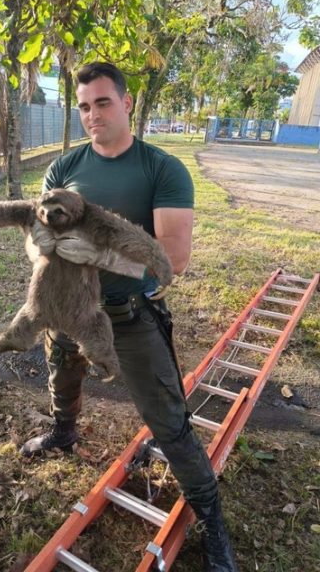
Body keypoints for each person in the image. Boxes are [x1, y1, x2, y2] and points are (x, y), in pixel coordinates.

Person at [25, 62, 238, 572]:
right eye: (82, 106)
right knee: (62, 377)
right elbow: (37, 241)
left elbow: (173, 258)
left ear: (125, 103)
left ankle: (211, 520)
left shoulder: (161, 169)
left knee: (168, 423)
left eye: (102, 102)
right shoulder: (63, 169)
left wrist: (95, 255)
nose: (92, 114)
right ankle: (64, 430)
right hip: (70, 311)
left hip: (130, 318)